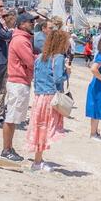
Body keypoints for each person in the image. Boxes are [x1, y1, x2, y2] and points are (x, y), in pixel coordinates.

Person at [28, 26, 70, 172]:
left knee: (39, 128)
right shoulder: (58, 57)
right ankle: (38, 162)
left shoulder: (40, 57)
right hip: (50, 97)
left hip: (39, 97)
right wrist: (67, 74)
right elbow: (58, 78)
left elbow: (35, 76)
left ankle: (38, 160)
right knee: (46, 129)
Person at [0, 12, 37, 162]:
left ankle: (9, 147)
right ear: (22, 24)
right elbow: (30, 62)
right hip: (18, 81)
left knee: (14, 117)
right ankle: (6, 149)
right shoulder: (21, 40)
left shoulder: (22, 39)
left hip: (20, 81)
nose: (32, 24)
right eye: (30, 22)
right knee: (12, 117)